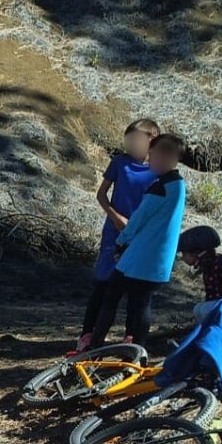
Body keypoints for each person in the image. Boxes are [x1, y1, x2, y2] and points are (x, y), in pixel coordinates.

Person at [85, 133, 188, 348]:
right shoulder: (177, 184)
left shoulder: (160, 187)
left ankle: (94, 347)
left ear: (172, 159)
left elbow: (138, 219)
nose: (152, 160)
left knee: (112, 297)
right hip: (157, 261)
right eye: (153, 155)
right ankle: (136, 351)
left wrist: (121, 242)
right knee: (140, 303)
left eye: (157, 156)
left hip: (139, 258)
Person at [76, 119, 161, 351]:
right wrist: (115, 217)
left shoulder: (159, 170)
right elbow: (101, 194)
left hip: (142, 237)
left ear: (152, 138)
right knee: (104, 284)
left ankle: (131, 338)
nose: (131, 145)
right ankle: (88, 336)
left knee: (137, 289)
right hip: (115, 232)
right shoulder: (120, 163)